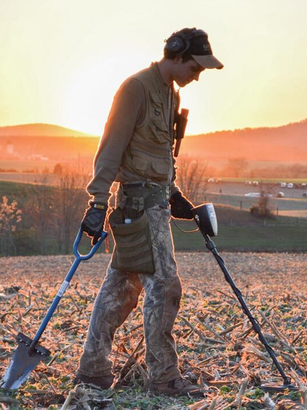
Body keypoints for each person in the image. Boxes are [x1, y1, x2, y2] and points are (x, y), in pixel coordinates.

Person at [74, 27, 223, 397]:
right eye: (194, 66)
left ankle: (92, 372)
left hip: (155, 204)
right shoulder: (135, 88)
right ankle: (164, 378)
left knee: (122, 289)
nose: (198, 74)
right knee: (165, 289)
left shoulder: (170, 95)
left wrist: (174, 194)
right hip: (137, 208)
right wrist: (96, 203)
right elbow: (110, 149)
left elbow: (161, 154)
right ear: (176, 55)